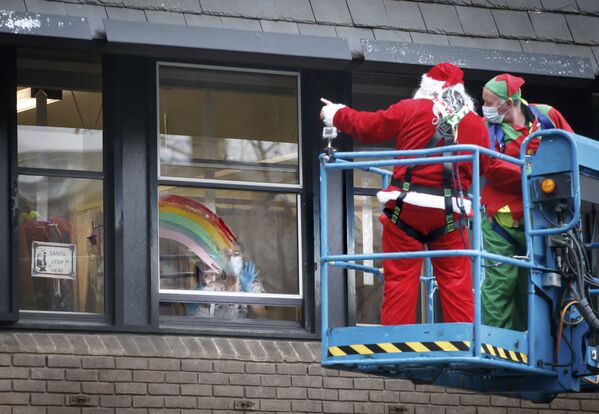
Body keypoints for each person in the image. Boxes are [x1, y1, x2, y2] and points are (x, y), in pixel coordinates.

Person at [320, 62, 490, 325]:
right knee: (457, 282)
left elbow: (370, 126)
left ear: (427, 87)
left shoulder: (411, 109)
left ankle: (395, 338)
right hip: (450, 213)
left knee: (400, 279)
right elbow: (486, 166)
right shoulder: (476, 124)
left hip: (405, 207)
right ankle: (464, 339)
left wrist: (337, 113)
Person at [480, 74, 573, 331]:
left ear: (509, 104)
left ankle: (524, 345)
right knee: (500, 283)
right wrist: (534, 170)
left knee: (532, 284)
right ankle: (493, 343)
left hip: (543, 218)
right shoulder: (487, 128)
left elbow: (571, 148)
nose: (484, 108)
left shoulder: (547, 116)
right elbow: (492, 168)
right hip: (501, 220)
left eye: (489, 102)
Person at [186, 242, 266, 319]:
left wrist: (249, 294)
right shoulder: (212, 287)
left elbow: (261, 318)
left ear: (242, 257)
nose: (232, 259)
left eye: (236, 254)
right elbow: (196, 318)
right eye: (227, 255)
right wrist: (197, 298)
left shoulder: (253, 286)